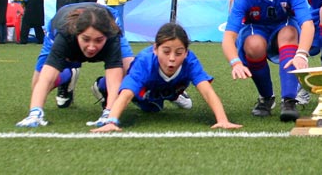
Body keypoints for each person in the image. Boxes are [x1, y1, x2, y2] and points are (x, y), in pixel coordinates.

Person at [222, 0, 315, 122]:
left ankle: (289, 100)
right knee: (254, 45)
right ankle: (266, 98)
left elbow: (308, 24)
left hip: (284, 30)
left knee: (289, 32)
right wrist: (235, 63)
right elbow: (229, 37)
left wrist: (302, 54)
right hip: (257, 33)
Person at [91, 23, 242, 132]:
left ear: (186, 52)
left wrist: (222, 120)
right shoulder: (144, 62)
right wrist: (111, 122)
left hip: (169, 86)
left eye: (179, 53)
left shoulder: (190, 61)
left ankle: (174, 94)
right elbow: (126, 94)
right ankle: (102, 85)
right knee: (150, 108)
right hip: (147, 87)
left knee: (168, 102)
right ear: (155, 49)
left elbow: (207, 92)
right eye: (166, 51)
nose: (172, 58)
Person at [16, 4, 124, 127]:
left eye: (98, 40)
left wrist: (110, 114)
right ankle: (66, 76)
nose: (91, 47)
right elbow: (46, 78)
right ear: (77, 34)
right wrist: (34, 114)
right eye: (86, 39)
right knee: (37, 84)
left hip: (105, 17)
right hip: (63, 21)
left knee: (127, 69)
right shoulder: (64, 34)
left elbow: (115, 79)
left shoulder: (112, 35)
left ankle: (102, 87)